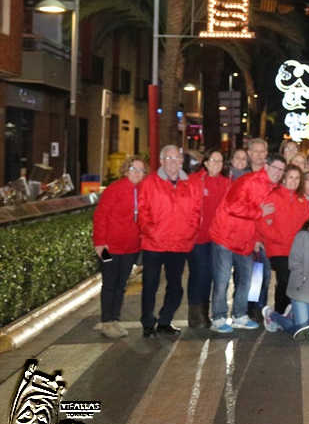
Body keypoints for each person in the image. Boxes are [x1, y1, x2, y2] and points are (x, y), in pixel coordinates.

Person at [208, 154, 285, 333]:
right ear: (266, 166)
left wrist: (257, 238)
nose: (277, 172)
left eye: (281, 170)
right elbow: (231, 206)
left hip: (246, 240)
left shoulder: (273, 187)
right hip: (225, 236)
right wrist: (258, 212)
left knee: (247, 279)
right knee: (222, 279)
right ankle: (218, 317)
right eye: (275, 168)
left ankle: (239, 315)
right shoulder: (248, 181)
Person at [137, 145, 202, 338]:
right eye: (169, 158)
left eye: (176, 158)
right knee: (150, 285)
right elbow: (142, 212)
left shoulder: (190, 184)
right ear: (162, 161)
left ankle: (165, 321)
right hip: (153, 244)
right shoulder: (150, 182)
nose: (173, 162)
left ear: (181, 161)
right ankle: (148, 323)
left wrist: (190, 232)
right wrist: (152, 231)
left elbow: (197, 212)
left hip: (179, 244)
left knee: (175, 286)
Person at [262, 205, 309, 337]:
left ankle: (292, 314)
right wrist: (299, 282)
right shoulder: (303, 236)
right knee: (303, 331)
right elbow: (295, 261)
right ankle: (273, 316)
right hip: (301, 289)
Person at [93, 155, 147, 338]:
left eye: (141, 170)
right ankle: (107, 322)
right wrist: (100, 243)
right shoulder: (114, 190)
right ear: (126, 170)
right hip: (109, 248)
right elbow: (100, 216)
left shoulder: (143, 191)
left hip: (130, 249)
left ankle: (115, 320)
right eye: (134, 169)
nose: (137, 173)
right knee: (109, 283)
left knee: (121, 284)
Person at [259, 164, 309, 316]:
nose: (293, 181)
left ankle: (287, 312)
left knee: (293, 281)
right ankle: (279, 312)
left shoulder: (301, 200)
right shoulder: (274, 197)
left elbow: (306, 223)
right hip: (277, 248)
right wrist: (279, 237)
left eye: (297, 178)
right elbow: (262, 223)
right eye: (290, 177)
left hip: (295, 249)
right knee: (284, 278)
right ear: (284, 178)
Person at [188, 149, 230, 328]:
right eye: (213, 160)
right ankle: (196, 312)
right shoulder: (195, 180)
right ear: (205, 162)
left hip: (217, 237)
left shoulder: (226, 182)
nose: (216, 164)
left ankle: (205, 312)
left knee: (213, 274)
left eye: (220, 161)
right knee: (199, 273)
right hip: (197, 237)